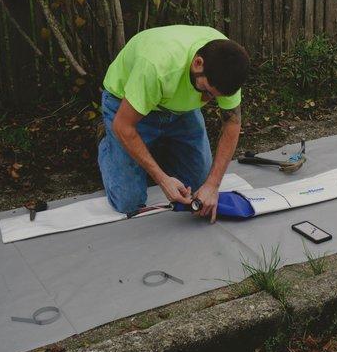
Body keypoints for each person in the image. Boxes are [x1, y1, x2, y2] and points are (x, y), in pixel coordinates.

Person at [98, 25, 249, 223]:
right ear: (197, 63)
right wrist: (162, 179)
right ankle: (106, 140)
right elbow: (124, 126)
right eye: (207, 91)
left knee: (200, 188)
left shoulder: (228, 65)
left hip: (179, 110)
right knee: (128, 202)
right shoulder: (157, 66)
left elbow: (232, 124)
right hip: (126, 106)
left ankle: (158, 146)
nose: (206, 99)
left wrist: (212, 185)